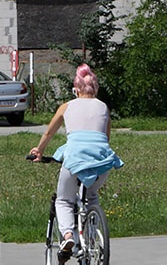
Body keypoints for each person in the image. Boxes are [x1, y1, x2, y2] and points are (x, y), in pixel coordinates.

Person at [29, 64, 123, 253]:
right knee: (91, 197)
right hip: (102, 161)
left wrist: (38, 150)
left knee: (63, 200)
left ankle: (68, 236)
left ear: (77, 88)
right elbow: (105, 137)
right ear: (95, 88)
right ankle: (90, 238)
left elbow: (49, 133)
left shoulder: (67, 106)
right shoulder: (103, 107)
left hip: (74, 160)